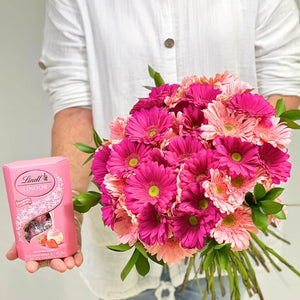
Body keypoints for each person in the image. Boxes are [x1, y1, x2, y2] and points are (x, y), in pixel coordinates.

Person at [6, 0, 300, 299]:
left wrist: (234, 188)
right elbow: (73, 105)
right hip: (127, 226)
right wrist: (65, 216)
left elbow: (281, 88)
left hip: (227, 236)